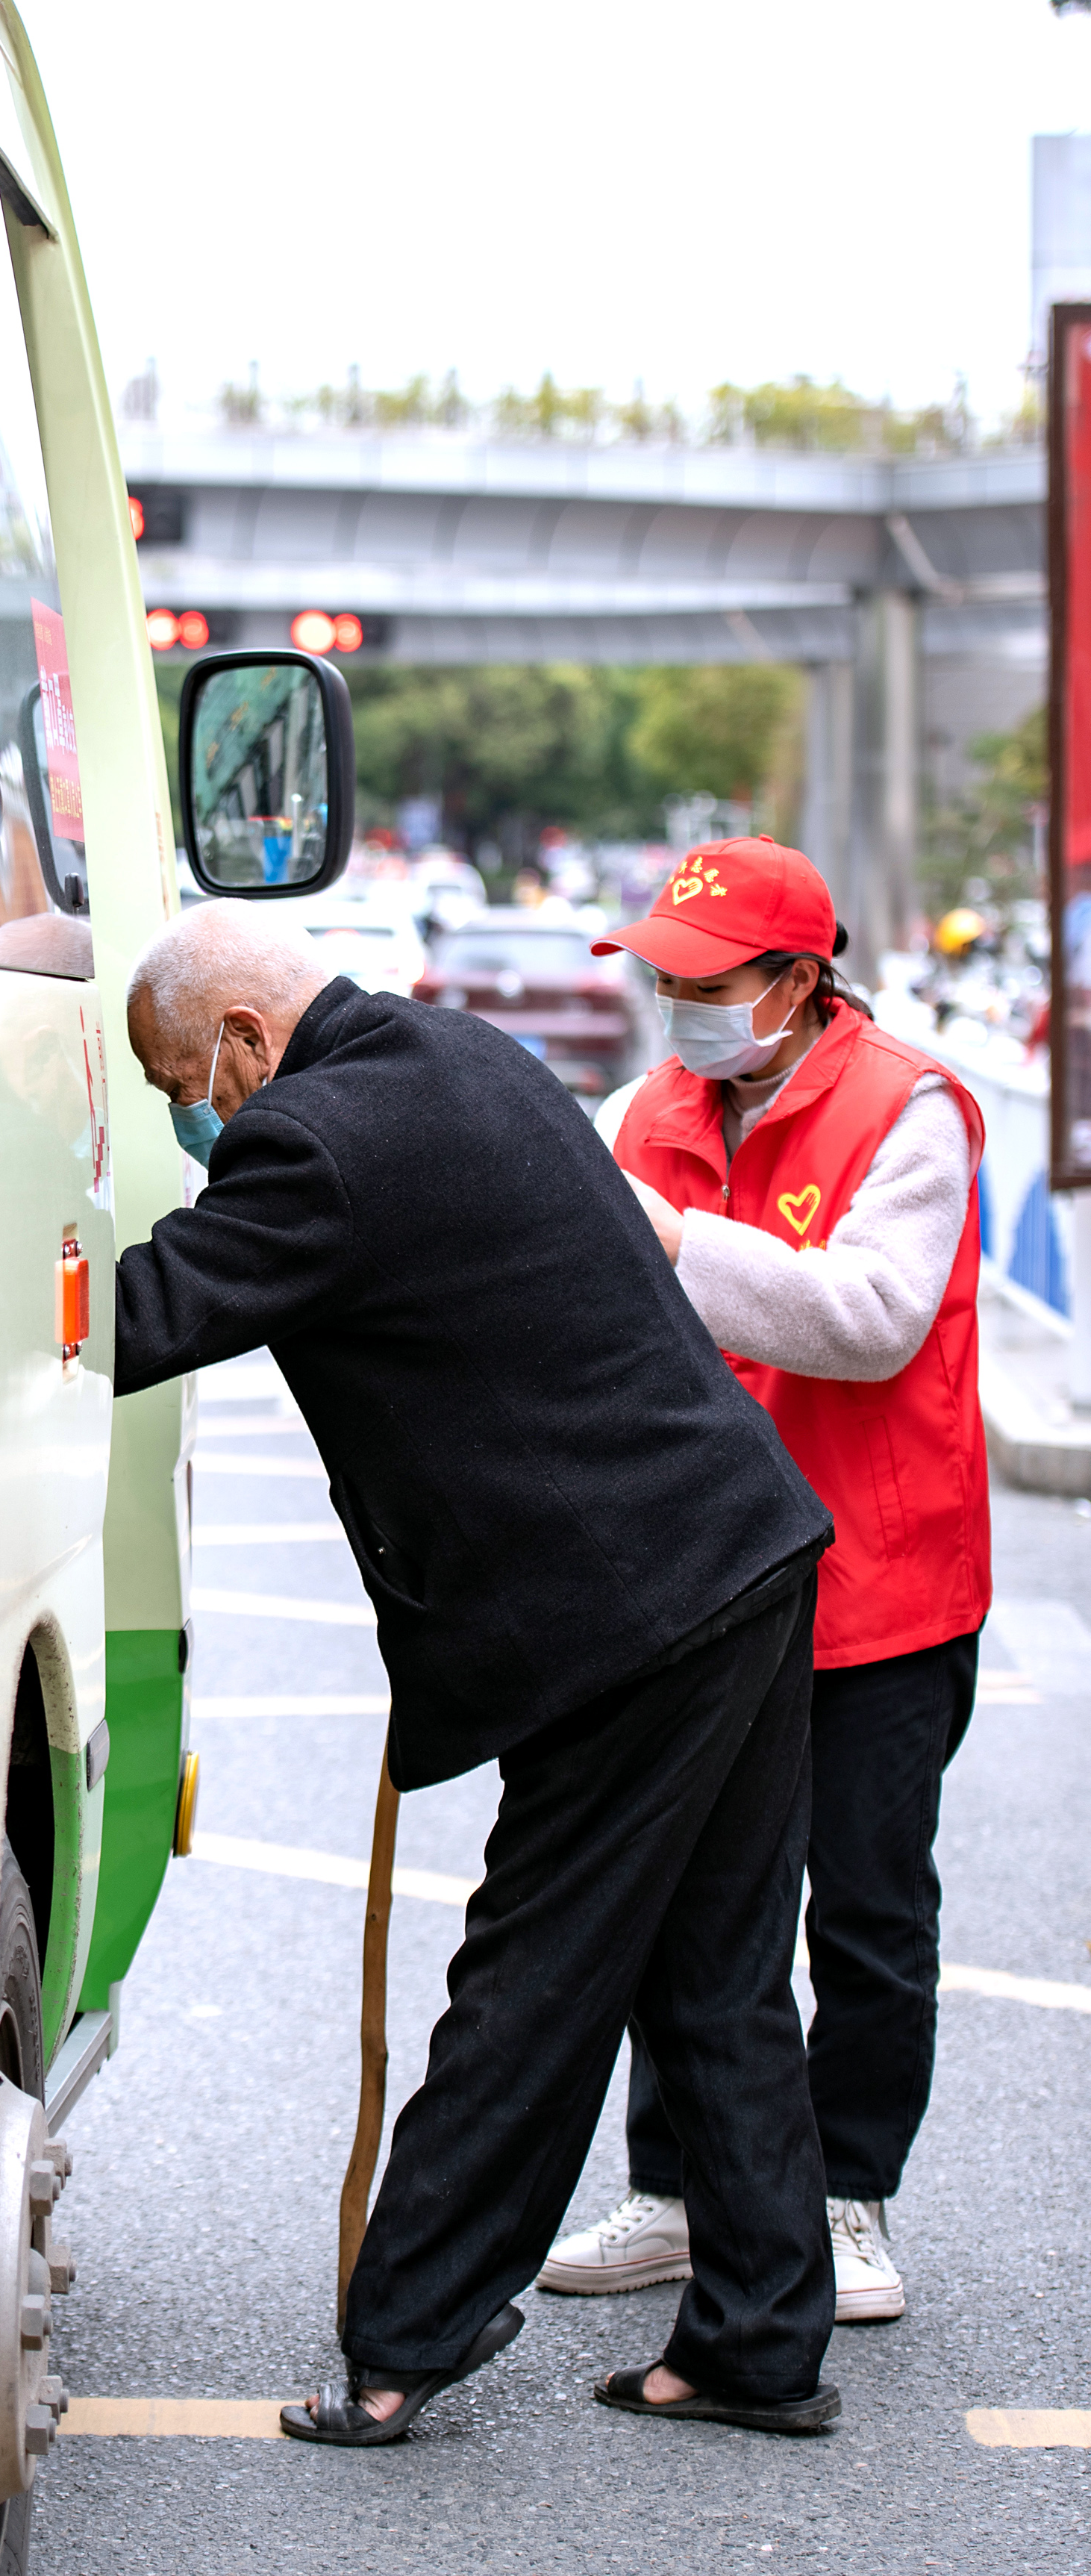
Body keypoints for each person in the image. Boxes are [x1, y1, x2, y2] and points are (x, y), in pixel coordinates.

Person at [113, 899, 841, 2446]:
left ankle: (404, 2341)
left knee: (536, 1969)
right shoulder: (470, 1055)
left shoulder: (312, 1142)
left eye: (196, 1079)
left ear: (248, 1037)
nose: (206, 1114)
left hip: (627, 1608)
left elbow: (138, 1319)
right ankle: (760, 2344)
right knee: (717, 1971)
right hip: (743, 1544)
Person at [542, 836, 988, 2324]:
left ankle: (849, 2194)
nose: (678, 1007)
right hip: (703, 1579)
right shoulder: (642, 1109)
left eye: (708, 983)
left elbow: (870, 1318)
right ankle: (678, 2191)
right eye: (662, 976)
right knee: (693, 1900)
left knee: (864, 1911)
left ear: (800, 983)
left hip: (881, 1582)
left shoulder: (908, 1109)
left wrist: (674, 1240)